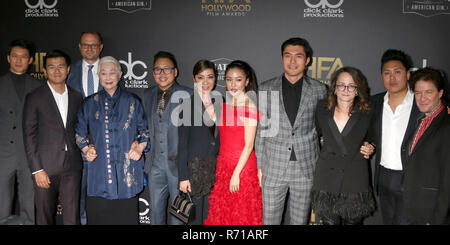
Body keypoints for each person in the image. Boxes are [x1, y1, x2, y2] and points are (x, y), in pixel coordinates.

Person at [254, 37, 327, 225]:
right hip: (273, 167)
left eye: (298, 56)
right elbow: (261, 130)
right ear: (281, 58)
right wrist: (260, 166)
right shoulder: (265, 88)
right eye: (288, 56)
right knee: (269, 221)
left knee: (300, 221)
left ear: (307, 60)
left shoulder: (320, 90)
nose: (292, 61)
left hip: (305, 168)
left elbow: (325, 131)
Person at [75, 56, 149, 225]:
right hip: (99, 172)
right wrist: (86, 149)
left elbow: (144, 131)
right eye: (103, 73)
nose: (108, 77)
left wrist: (139, 147)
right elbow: (79, 133)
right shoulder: (89, 103)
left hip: (127, 174)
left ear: (120, 74)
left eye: (112, 73)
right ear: (98, 76)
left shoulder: (133, 101)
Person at [23, 50, 83, 225]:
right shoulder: (35, 97)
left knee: (72, 218)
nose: (57, 71)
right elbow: (29, 135)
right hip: (45, 169)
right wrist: (37, 170)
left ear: (68, 69)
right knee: (44, 217)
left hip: (72, 167)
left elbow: (80, 129)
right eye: (51, 67)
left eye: (61, 66)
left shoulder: (76, 96)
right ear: (44, 70)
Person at [311, 67, 376, 225]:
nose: (346, 89)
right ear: (334, 88)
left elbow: (374, 137)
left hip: (354, 178)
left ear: (357, 90)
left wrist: (371, 146)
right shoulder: (322, 108)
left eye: (351, 85)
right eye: (341, 85)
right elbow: (318, 132)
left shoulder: (367, 111)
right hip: (327, 177)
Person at [204, 60, 263, 225]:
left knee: (241, 216)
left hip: (242, 168)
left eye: (238, 79)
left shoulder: (249, 106)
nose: (233, 84)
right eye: (229, 79)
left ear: (247, 81)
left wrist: (236, 173)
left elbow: (249, 145)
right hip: (224, 167)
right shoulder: (225, 104)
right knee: (224, 216)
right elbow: (217, 121)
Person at [369, 49, 420, 225]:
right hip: (383, 176)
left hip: (411, 178)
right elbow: (369, 134)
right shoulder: (374, 103)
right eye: (387, 73)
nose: (392, 78)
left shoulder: (421, 103)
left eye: (397, 72)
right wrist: (369, 144)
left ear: (407, 74)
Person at [143, 51, 192, 225]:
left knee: (178, 218)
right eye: (158, 69)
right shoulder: (147, 95)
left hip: (179, 168)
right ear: (153, 72)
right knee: (155, 215)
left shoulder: (188, 95)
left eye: (167, 69)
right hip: (155, 167)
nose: (162, 73)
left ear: (175, 72)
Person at [400, 67, 450, 224]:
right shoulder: (420, 120)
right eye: (418, 93)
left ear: (440, 93)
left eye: (429, 92)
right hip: (412, 208)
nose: (422, 98)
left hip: (430, 215)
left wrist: (437, 220)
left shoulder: (447, 126)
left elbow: (448, 181)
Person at [0, 39, 42, 225]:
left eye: (23, 57)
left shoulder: (39, 87)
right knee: (1, 203)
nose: (19, 60)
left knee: (28, 201)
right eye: (15, 56)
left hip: (28, 154)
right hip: (3, 153)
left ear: (31, 60)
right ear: (8, 58)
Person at [66, 31, 105, 225]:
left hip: (104, 144)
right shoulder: (68, 72)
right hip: (75, 144)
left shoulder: (110, 70)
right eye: (85, 45)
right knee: (77, 193)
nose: (89, 48)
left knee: (102, 194)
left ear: (101, 47)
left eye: (94, 45)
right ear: (79, 47)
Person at [177, 59, 221, 225]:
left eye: (210, 77)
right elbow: (182, 145)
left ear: (215, 78)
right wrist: (183, 177)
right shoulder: (186, 105)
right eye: (201, 77)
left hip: (215, 171)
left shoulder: (220, 101)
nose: (206, 82)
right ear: (195, 79)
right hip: (194, 171)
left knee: (211, 218)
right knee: (195, 221)